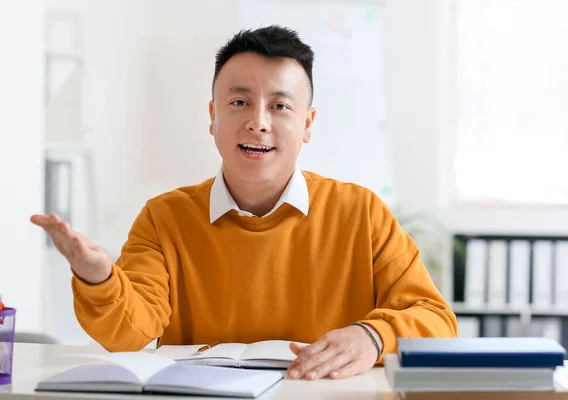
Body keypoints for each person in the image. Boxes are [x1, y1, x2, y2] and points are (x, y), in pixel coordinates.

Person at [31, 25, 457, 380]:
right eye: (239, 102)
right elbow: (128, 332)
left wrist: (374, 337)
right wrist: (98, 277)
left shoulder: (361, 212)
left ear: (307, 124)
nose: (258, 121)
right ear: (213, 116)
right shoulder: (166, 217)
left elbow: (436, 320)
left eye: (280, 106)